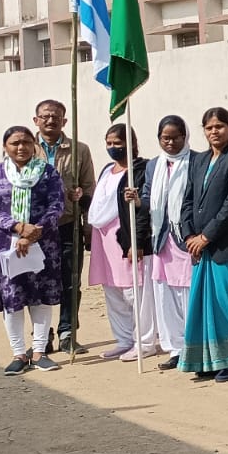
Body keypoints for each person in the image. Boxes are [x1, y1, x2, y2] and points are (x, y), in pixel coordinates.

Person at [180, 108, 228, 382]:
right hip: (202, 247)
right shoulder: (199, 160)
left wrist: (207, 235)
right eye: (209, 127)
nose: (214, 132)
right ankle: (209, 360)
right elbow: (188, 199)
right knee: (204, 306)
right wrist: (190, 234)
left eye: (220, 126)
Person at [0, 125, 65, 375]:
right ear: (5, 147)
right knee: (13, 299)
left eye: (27, 142)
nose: (21, 147)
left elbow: (57, 205)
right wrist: (17, 227)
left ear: (34, 145)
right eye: (15, 143)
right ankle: (18, 353)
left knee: (41, 297)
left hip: (43, 244)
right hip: (4, 246)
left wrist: (33, 232)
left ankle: (39, 352)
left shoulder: (48, 173)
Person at [122, 115, 193, 371]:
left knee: (187, 294)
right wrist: (137, 200)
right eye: (166, 138)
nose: (171, 142)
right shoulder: (154, 165)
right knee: (166, 297)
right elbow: (148, 197)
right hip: (161, 239)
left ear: (185, 137)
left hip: (185, 239)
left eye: (176, 137)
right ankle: (175, 348)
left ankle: (193, 347)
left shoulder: (195, 161)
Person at [32, 99, 95, 352]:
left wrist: (88, 228)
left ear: (64, 121)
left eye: (56, 116)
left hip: (68, 225)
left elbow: (89, 189)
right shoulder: (25, 147)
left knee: (70, 281)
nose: (50, 120)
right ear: (36, 120)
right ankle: (41, 335)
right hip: (35, 229)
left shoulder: (79, 150)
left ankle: (67, 333)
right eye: (45, 116)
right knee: (38, 281)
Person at [89, 123, 152, 362]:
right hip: (103, 238)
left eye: (118, 143)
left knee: (132, 291)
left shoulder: (140, 169)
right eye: (109, 143)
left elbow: (143, 207)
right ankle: (124, 339)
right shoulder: (107, 169)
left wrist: (136, 239)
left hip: (124, 236)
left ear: (131, 144)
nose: (113, 147)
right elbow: (100, 202)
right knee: (112, 289)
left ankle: (143, 341)